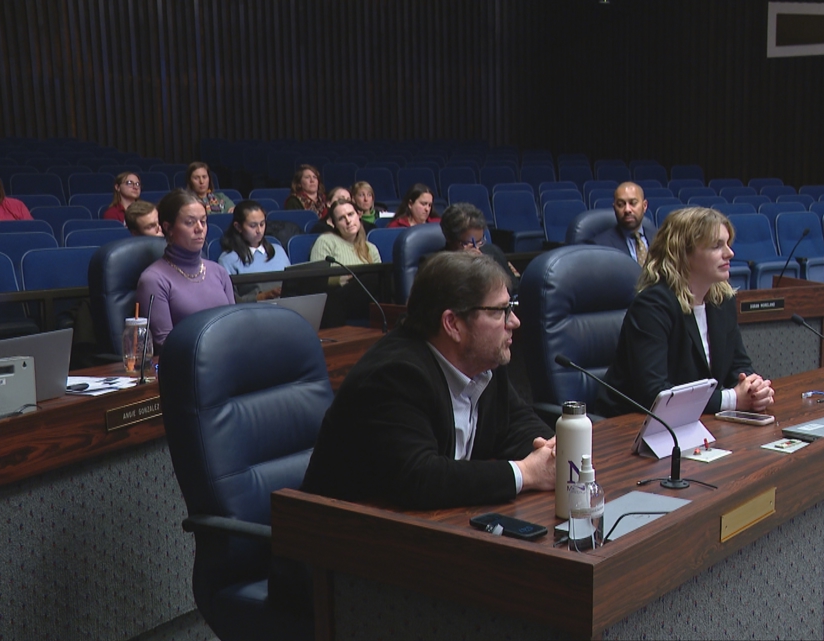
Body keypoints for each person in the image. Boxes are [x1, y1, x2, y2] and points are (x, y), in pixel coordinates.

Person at [301, 251, 556, 509]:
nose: (514, 321)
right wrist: (525, 473)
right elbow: (419, 477)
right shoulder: (395, 375)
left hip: (433, 522)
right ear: (452, 324)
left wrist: (552, 450)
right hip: (342, 527)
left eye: (511, 307)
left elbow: (516, 423)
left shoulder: (483, 363)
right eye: (501, 311)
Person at [595, 206, 775, 417]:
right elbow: (655, 393)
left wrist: (754, 390)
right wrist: (731, 399)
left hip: (694, 420)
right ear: (683, 253)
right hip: (631, 424)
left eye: (728, 244)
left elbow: (739, 364)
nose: (730, 253)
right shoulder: (652, 306)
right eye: (717, 246)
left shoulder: (721, 300)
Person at [136, 189, 235, 348]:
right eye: (190, 222)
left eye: (203, 221)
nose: (199, 228)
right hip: (188, 360)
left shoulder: (219, 272)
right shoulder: (154, 279)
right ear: (168, 228)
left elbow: (235, 327)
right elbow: (165, 344)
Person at [218, 200, 291, 302]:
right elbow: (231, 300)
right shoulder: (228, 259)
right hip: (252, 310)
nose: (259, 230)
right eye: (253, 226)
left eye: (262, 224)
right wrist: (263, 297)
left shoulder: (278, 250)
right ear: (238, 227)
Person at [438, 202, 520, 290]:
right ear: (449, 238)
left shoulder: (493, 252)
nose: (476, 248)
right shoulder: (437, 266)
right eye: (467, 243)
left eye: (479, 241)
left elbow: (515, 288)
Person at [310, 199, 381, 283]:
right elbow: (317, 280)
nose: (348, 221)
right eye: (341, 218)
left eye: (350, 214)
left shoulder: (371, 248)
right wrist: (340, 280)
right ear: (335, 225)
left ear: (358, 215)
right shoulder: (325, 241)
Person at [586, 181, 656, 265]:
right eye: (620, 204)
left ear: (644, 206)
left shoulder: (659, 238)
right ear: (614, 208)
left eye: (633, 203)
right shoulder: (600, 245)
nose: (627, 210)